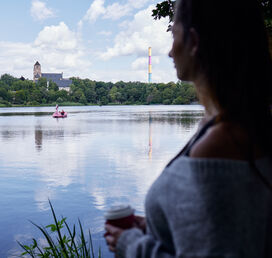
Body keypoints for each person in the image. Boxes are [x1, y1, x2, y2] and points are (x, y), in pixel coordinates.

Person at [104, 0, 272, 257]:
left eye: (173, 35)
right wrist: (159, 228)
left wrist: (131, 245)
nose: (170, 52)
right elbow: (228, 230)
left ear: (193, 42)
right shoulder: (237, 125)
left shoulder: (221, 144)